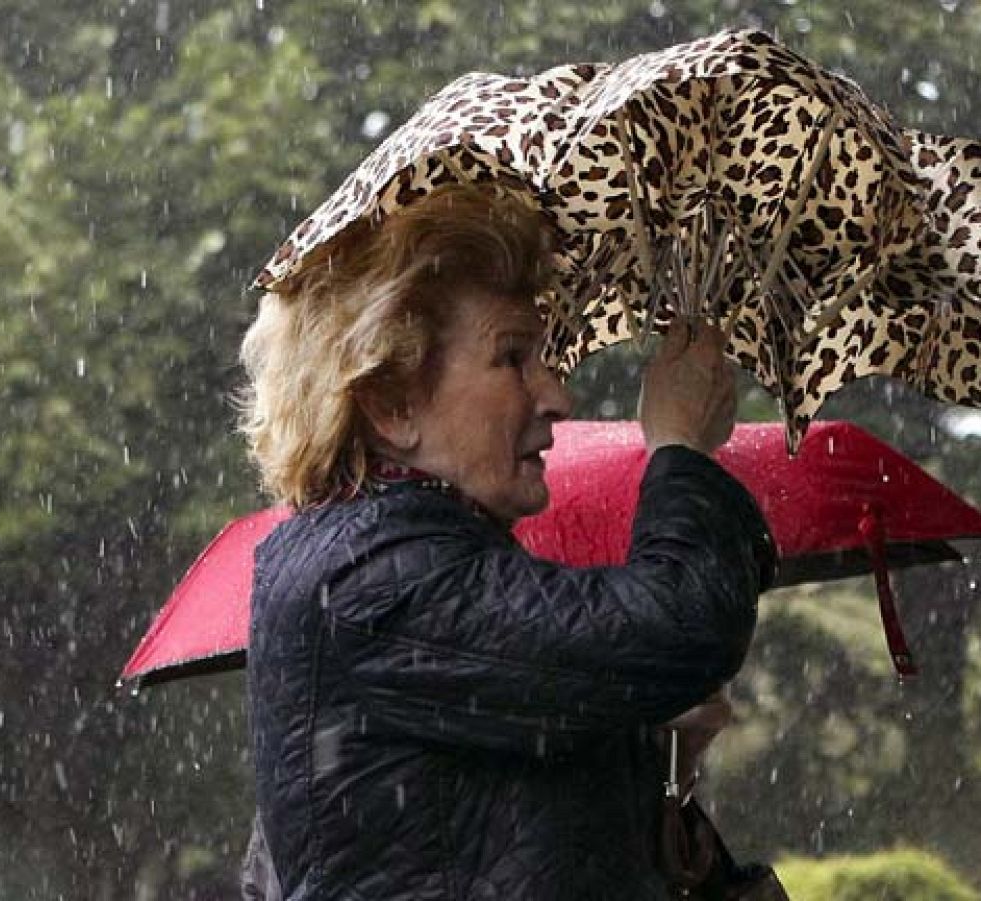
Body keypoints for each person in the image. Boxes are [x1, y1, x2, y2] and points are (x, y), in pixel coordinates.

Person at [238, 183, 776, 900]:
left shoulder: (414, 567)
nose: (558, 395)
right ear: (393, 403)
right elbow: (680, 623)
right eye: (514, 357)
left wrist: (655, 765)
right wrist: (680, 447)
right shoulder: (375, 579)